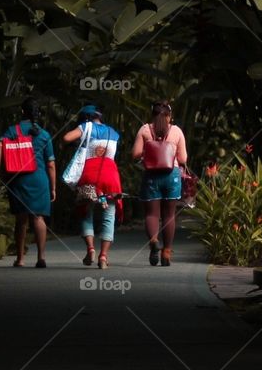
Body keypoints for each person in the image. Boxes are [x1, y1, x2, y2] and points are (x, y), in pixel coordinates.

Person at [0, 97, 56, 268]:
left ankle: (20, 259)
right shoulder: (44, 134)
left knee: (21, 219)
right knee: (38, 217)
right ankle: (41, 258)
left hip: (18, 178)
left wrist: (2, 171)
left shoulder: (12, 130)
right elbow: (51, 164)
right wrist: (53, 188)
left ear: (22, 112)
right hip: (40, 179)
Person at [63, 105, 122, 269]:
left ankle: (90, 248)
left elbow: (67, 138)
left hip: (90, 175)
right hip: (111, 177)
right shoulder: (114, 133)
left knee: (85, 212)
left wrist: (80, 140)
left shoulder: (85, 126)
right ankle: (103, 257)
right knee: (108, 216)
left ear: (85, 118)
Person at [131, 100, 187, 266]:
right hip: (172, 175)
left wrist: (149, 149)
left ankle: (154, 241)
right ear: (169, 116)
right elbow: (183, 158)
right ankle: (167, 253)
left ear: (152, 114)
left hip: (151, 175)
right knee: (169, 215)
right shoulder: (176, 131)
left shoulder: (145, 129)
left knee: (151, 214)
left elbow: (135, 154)